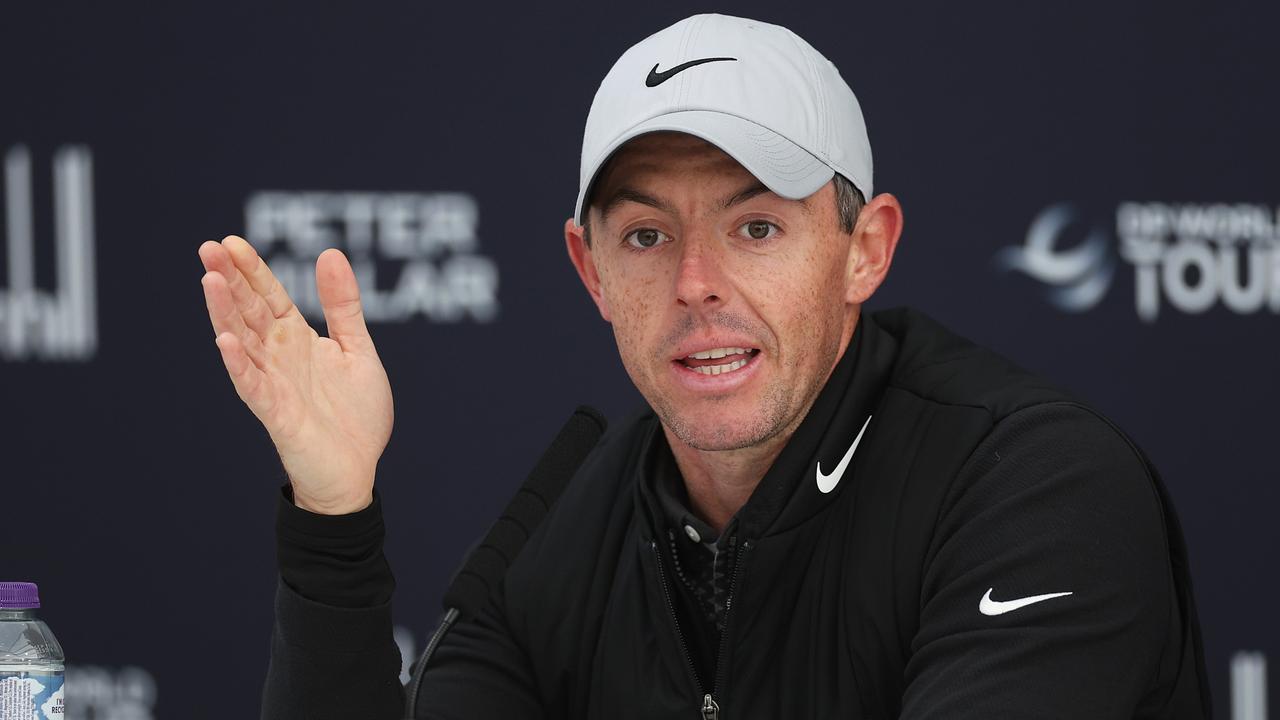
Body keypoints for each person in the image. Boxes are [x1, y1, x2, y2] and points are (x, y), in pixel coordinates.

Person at [198, 14, 1209, 719]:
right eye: (644, 237)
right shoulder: (547, 549)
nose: (694, 283)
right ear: (587, 270)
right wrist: (333, 519)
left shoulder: (1036, 488)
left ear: (866, 248)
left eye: (756, 225)